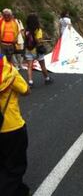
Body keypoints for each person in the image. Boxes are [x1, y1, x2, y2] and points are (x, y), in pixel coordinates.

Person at [0, 54, 31, 196]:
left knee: (3, 164)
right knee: (16, 166)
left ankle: (20, 189)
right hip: (13, 127)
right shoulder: (10, 72)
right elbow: (26, 91)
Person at [24, 13, 54, 87]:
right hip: (37, 50)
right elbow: (38, 40)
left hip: (28, 49)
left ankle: (30, 82)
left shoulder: (26, 30)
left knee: (29, 66)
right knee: (42, 65)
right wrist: (43, 41)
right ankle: (47, 78)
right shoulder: (38, 30)